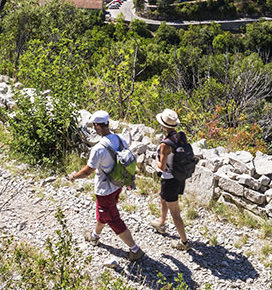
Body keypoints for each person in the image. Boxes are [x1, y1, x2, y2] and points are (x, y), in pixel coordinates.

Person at [67, 110, 144, 262]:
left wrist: (74, 176)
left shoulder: (98, 149)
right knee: (103, 213)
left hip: (104, 190)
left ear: (96, 126)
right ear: (107, 123)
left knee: (113, 219)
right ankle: (94, 237)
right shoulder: (120, 139)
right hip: (118, 184)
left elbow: (88, 171)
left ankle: (135, 250)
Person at [150, 108, 190, 249]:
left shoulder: (165, 144)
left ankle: (184, 242)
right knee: (163, 198)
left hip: (170, 180)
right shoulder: (180, 136)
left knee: (175, 212)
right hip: (179, 176)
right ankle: (161, 223)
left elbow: (162, 166)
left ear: (163, 125)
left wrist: (155, 158)